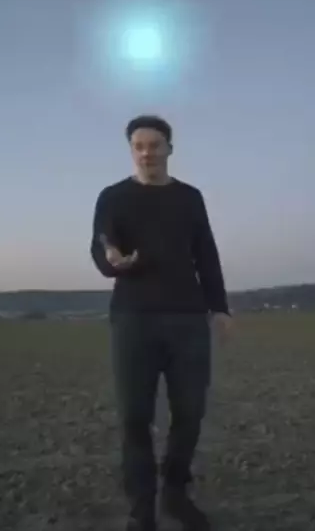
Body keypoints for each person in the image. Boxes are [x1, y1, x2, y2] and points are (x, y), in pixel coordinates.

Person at [90, 114, 231, 531]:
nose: (147, 152)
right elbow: (102, 246)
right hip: (133, 319)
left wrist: (220, 307)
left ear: (170, 148)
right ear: (131, 151)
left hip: (187, 317)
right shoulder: (113, 197)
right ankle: (141, 509)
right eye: (139, 146)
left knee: (190, 412)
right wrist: (112, 261)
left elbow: (206, 252)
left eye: (154, 145)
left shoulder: (189, 198)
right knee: (135, 417)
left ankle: (174, 493)